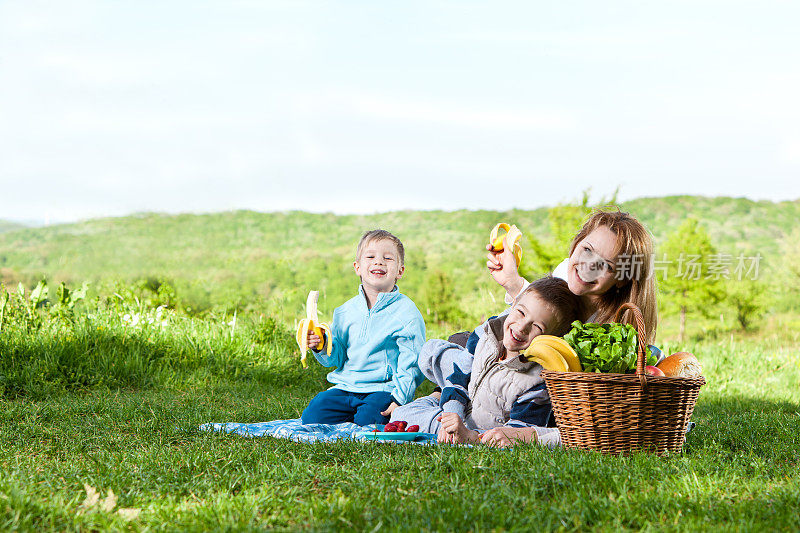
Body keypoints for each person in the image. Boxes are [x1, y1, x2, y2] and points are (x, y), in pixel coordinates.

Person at [476, 208, 660, 446]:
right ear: (576, 244)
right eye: (587, 250)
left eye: (606, 265)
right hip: (514, 369)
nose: (588, 266)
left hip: (544, 400)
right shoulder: (565, 272)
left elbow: (595, 426)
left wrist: (530, 437)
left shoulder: (612, 337)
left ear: (622, 279)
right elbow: (541, 318)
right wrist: (513, 283)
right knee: (467, 339)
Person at [389, 276, 581, 444]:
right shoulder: (488, 332)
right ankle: (440, 401)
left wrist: (470, 436)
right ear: (513, 305)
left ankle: (440, 414)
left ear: (550, 340)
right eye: (521, 313)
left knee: (404, 417)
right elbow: (459, 375)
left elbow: (515, 433)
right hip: (464, 404)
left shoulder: (537, 382)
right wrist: (452, 411)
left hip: (477, 426)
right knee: (432, 353)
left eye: (537, 327)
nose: (522, 327)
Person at [300, 229, 426, 426]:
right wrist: (321, 346)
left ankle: (370, 415)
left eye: (388, 258)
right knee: (312, 418)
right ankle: (350, 413)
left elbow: (412, 361)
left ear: (400, 271)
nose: (379, 262)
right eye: (370, 256)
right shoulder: (344, 311)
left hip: (383, 390)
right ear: (357, 267)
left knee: (369, 423)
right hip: (344, 388)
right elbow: (337, 356)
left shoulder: (406, 312)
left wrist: (399, 399)